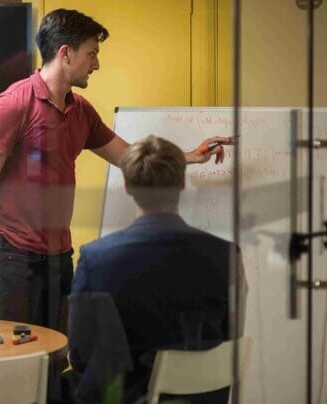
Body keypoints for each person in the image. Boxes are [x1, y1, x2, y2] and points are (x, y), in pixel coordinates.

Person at [0, 8, 233, 331]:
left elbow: (129, 157)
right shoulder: (13, 105)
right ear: (66, 54)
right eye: (92, 54)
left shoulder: (81, 111)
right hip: (12, 255)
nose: (96, 64)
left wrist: (190, 155)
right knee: (17, 360)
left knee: (56, 354)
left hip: (59, 256)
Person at [68, 136, 244, 404]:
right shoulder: (227, 255)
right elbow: (231, 336)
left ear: (127, 186)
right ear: (182, 182)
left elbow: (81, 353)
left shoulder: (95, 260)